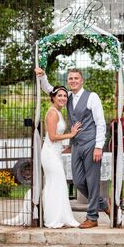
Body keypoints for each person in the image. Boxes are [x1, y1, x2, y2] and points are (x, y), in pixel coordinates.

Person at [35, 67, 110, 229]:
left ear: (82, 80)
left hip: (91, 144)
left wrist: (99, 146)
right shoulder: (67, 96)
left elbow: (101, 123)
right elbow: (50, 90)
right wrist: (43, 76)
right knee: (77, 181)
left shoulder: (92, 97)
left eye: (76, 78)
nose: (73, 81)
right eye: (70, 78)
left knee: (91, 180)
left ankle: (92, 217)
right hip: (76, 144)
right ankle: (103, 203)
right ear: (68, 81)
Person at [41, 85, 82, 228]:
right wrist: (71, 134)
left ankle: (59, 216)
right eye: (60, 95)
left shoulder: (58, 112)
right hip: (50, 154)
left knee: (56, 184)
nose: (63, 98)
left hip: (55, 153)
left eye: (65, 96)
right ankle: (53, 219)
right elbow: (52, 137)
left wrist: (64, 146)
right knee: (56, 184)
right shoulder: (52, 113)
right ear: (53, 97)